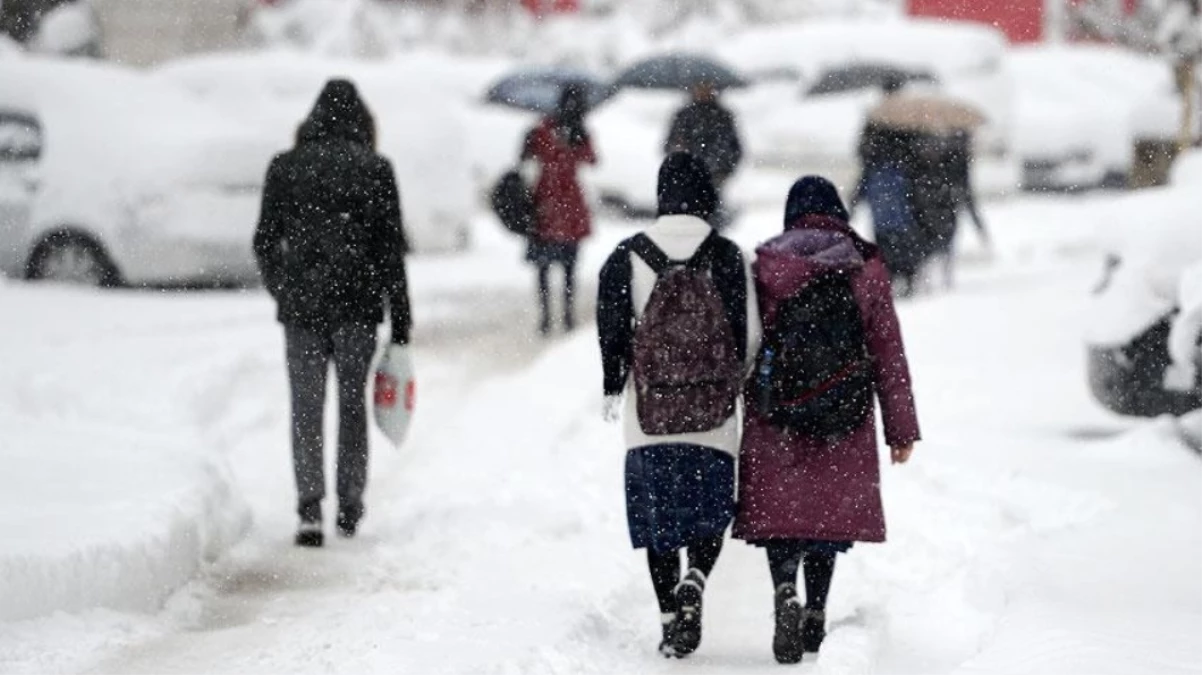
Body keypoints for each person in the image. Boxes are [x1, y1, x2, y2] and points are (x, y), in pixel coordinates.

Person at [735, 177, 920, 664]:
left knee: (784, 517)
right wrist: (900, 430)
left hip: (778, 413)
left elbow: (747, 345)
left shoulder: (768, 265)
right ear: (838, 211)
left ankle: (784, 591)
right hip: (845, 411)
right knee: (825, 516)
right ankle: (815, 610)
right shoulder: (865, 267)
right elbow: (888, 354)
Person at [597, 153, 760, 659]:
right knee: (709, 514)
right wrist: (735, 382)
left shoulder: (627, 256)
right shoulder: (728, 256)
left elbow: (610, 333)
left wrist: (613, 382)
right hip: (712, 416)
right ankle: (696, 578)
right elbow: (749, 337)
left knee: (659, 522)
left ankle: (670, 617)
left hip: (649, 416)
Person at [253, 79, 411, 548]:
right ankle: (349, 504)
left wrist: (283, 287)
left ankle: (308, 509)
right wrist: (400, 315)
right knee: (351, 405)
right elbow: (390, 251)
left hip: (301, 307)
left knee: (306, 406)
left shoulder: (285, 167)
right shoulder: (376, 169)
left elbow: (264, 240)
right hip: (357, 306)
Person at [523, 82, 597, 335]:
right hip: (566, 204)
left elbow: (527, 157)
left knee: (546, 267)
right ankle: (565, 314)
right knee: (568, 267)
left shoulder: (544, 129)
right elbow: (591, 159)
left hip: (545, 204)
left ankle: (548, 316)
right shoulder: (574, 131)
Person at [849, 120, 924, 297]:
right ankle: (904, 279)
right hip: (899, 214)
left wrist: (853, 205)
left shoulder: (874, 153)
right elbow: (914, 190)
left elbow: (862, 186)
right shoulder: (904, 153)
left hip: (883, 213)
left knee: (887, 249)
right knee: (901, 249)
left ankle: (892, 281)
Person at [910, 129, 989, 289]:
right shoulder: (954, 161)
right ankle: (941, 281)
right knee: (940, 248)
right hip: (940, 212)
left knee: (935, 249)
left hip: (935, 212)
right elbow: (965, 193)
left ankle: (936, 281)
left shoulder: (941, 161)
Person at [664, 81, 744, 229]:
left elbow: (735, 148)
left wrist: (725, 170)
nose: (703, 91)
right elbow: (668, 146)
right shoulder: (683, 116)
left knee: (713, 216)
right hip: (688, 176)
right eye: (699, 87)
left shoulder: (723, 116)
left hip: (715, 175)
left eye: (707, 87)